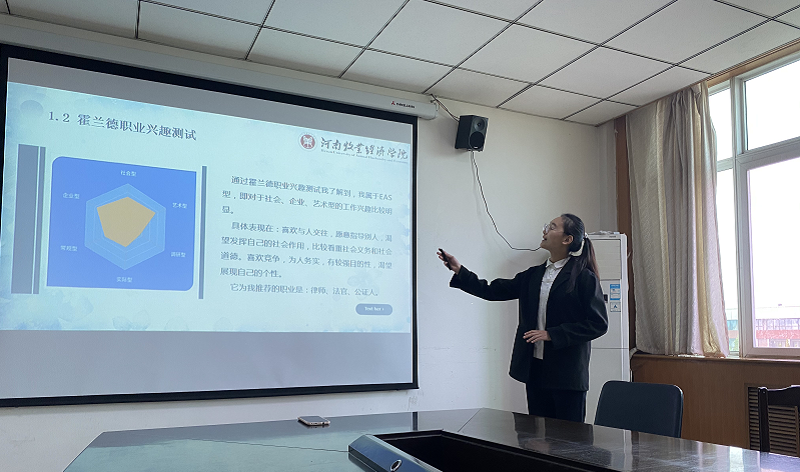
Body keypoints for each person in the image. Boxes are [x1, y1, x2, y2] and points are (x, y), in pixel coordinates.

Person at [438, 213, 608, 422]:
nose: (545, 230)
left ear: (567, 239)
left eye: (552, 226)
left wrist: (552, 334)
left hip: (567, 375)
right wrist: (460, 271)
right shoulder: (534, 275)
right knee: (534, 436)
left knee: (569, 438)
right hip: (535, 370)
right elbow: (492, 291)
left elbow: (598, 324)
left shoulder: (583, 277)